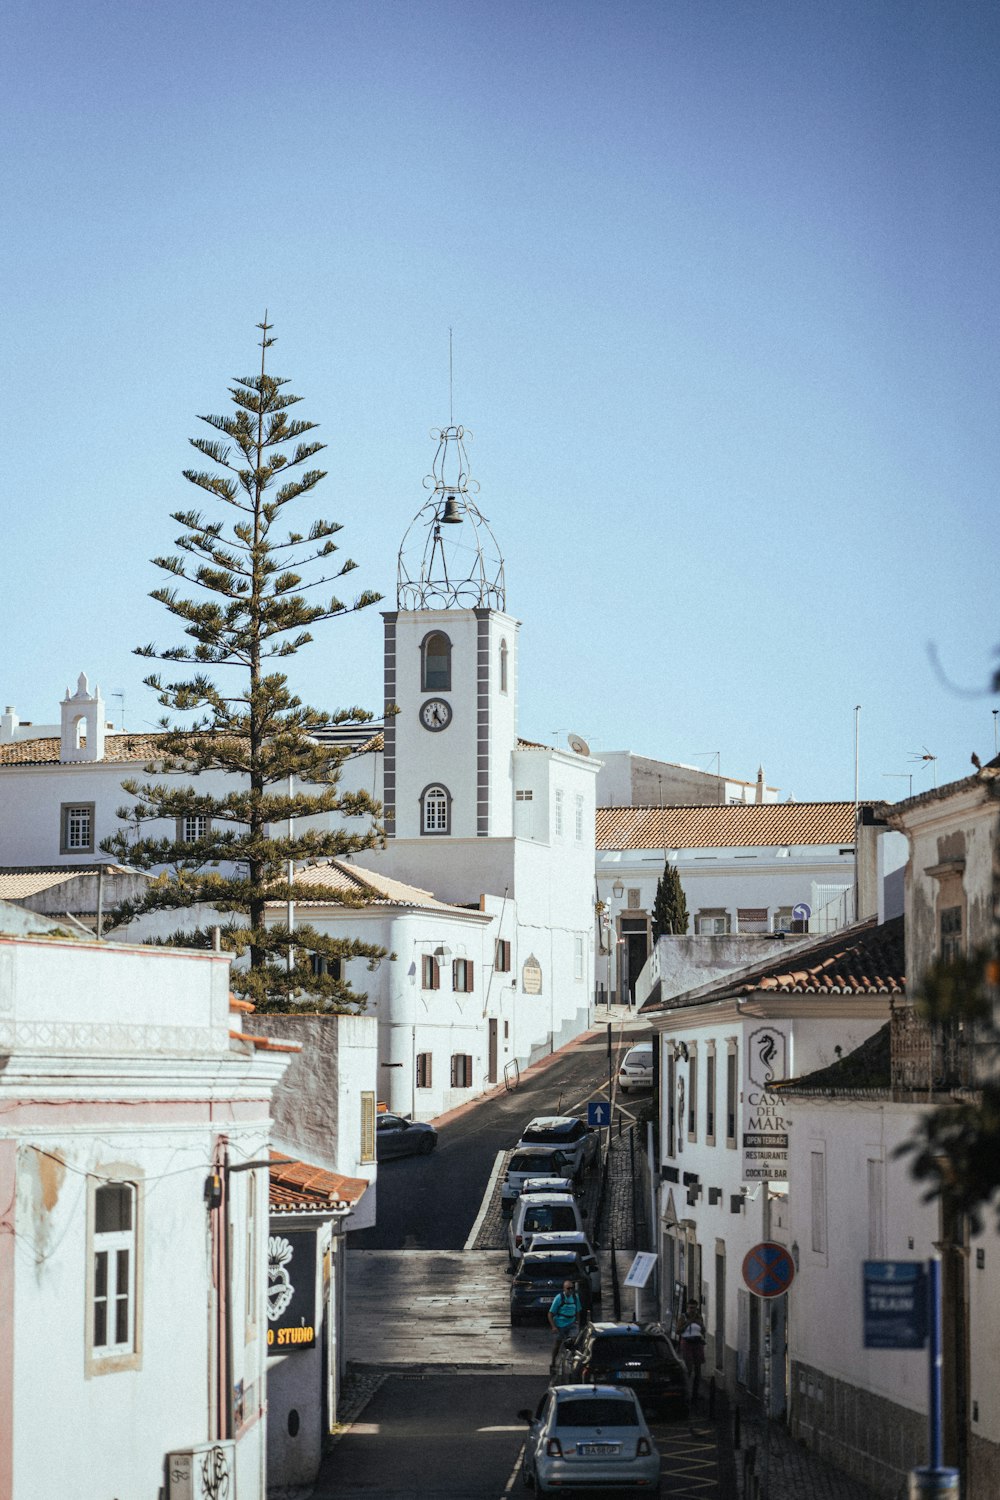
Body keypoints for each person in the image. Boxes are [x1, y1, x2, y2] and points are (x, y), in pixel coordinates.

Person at [548, 1278, 583, 1373]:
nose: (570, 1290)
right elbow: (550, 1313)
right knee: (557, 1344)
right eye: (568, 1288)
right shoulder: (559, 1298)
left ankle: (572, 1361)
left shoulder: (575, 1298)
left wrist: (577, 1322)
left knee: (574, 1342)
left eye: (572, 1288)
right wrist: (554, 1327)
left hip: (571, 1323)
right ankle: (553, 1363)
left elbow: (578, 1311)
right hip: (560, 1324)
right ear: (564, 1289)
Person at [678, 1301, 706, 1401]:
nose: (692, 1310)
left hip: (697, 1343)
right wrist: (687, 1324)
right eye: (690, 1308)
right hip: (687, 1343)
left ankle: (695, 1393)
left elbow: (703, 1330)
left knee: (698, 1370)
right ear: (687, 1308)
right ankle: (686, 1391)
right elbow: (678, 1331)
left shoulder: (699, 1317)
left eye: (694, 1308)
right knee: (688, 1368)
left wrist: (701, 1326)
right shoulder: (683, 1317)